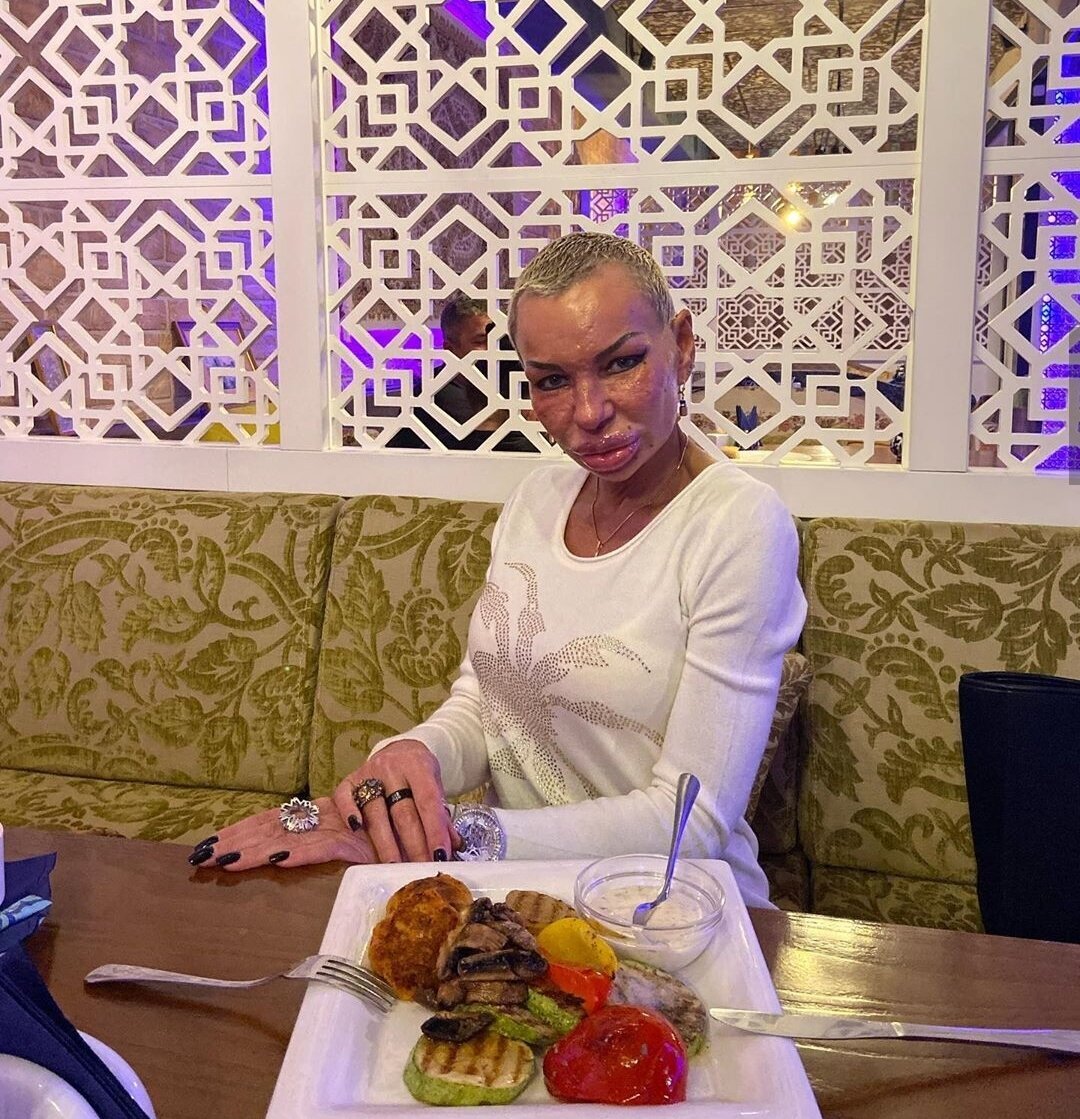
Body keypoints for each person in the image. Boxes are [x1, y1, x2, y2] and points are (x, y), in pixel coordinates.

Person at [190, 232, 806, 908]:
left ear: (681, 345)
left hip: (670, 911)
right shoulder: (538, 498)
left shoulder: (738, 523)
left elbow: (692, 823)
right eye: (552, 381)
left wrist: (451, 837)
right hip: (517, 900)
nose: (589, 412)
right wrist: (410, 760)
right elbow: (487, 705)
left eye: (622, 363)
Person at [389, 293, 535, 453]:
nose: (495, 349)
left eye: (499, 339)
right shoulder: (430, 396)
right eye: (481, 341)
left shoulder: (509, 381)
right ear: (450, 349)